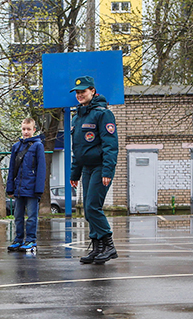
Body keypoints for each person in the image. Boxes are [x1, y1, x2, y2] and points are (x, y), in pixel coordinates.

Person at [70, 75, 119, 264]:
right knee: (89, 209)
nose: (79, 95)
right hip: (87, 168)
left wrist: (107, 170)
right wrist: (75, 173)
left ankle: (109, 245)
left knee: (92, 206)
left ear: (92, 91)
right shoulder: (77, 117)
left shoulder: (102, 113)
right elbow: (78, 149)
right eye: (77, 92)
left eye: (83, 91)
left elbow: (110, 144)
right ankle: (98, 248)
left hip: (100, 167)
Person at [5, 117, 46, 252]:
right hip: (19, 188)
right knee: (18, 216)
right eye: (24, 129)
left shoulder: (38, 146)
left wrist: (39, 189)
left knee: (31, 217)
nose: (26, 132)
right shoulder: (16, 147)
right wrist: (10, 187)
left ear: (34, 130)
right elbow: (12, 169)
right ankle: (18, 239)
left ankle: (31, 240)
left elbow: (41, 169)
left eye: (28, 129)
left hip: (32, 188)